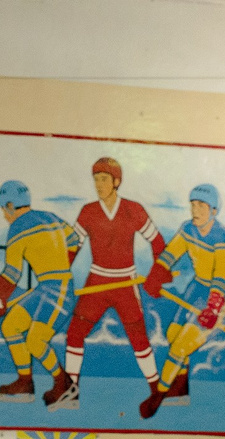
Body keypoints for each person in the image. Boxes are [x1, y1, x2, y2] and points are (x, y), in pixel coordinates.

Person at [52, 155, 167, 411]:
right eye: (95, 179)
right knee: (74, 333)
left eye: (104, 179)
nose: (98, 184)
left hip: (126, 282)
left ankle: (156, 391)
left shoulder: (133, 209)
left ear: (116, 181)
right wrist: (56, 276)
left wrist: (158, 275)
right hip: (96, 282)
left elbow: (158, 243)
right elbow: (71, 248)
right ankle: (72, 391)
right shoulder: (88, 211)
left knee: (139, 339)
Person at [139, 182, 225, 419]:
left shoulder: (222, 237)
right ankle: (180, 391)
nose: (195, 210)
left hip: (218, 295)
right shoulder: (188, 229)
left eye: (201, 205)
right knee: (173, 336)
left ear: (213, 210)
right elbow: (171, 253)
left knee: (181, 346)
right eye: (193, 204)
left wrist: (213, 309)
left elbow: (221, 278)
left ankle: (159, 395)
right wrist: (157, 274)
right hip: (197, 287)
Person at [0, 180, 79, 401]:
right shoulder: (50, 216)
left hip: (59, 290)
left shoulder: (17, 227)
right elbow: (74, 239)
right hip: (46, 287)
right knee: (11, 325)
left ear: (9, 205)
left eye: (3, 210)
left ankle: (65, 385)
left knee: (35, 341)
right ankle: (25, 382)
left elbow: (12, 274)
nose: (4, 215)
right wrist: (58, 266)